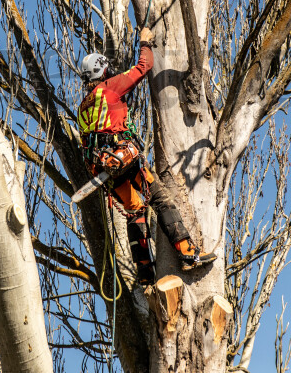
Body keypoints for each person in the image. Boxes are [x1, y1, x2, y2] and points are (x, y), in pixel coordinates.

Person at [77, 27, 216, 285]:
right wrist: (144, 41)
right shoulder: (109, 88)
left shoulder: (83, 107)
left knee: (134, 212)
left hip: (106, 170)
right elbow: (144, 65)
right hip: (126, 159)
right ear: (102, 71)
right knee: (161, 199)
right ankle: (187, 253)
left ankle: (145, 274)